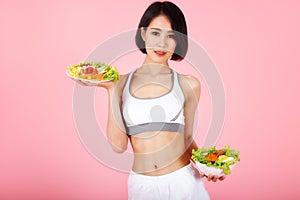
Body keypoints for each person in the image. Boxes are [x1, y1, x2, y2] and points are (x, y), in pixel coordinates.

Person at [76, 1, 225, 199]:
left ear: (177, 42)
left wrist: (208, 166)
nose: (162, 43)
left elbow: (187, 140)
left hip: (184, 183)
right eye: (155, 33)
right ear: (144, 34)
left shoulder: (189, 84)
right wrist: (111, 89)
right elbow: (118, 146)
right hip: (142, 186)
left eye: (170, 36)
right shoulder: (119, 83)